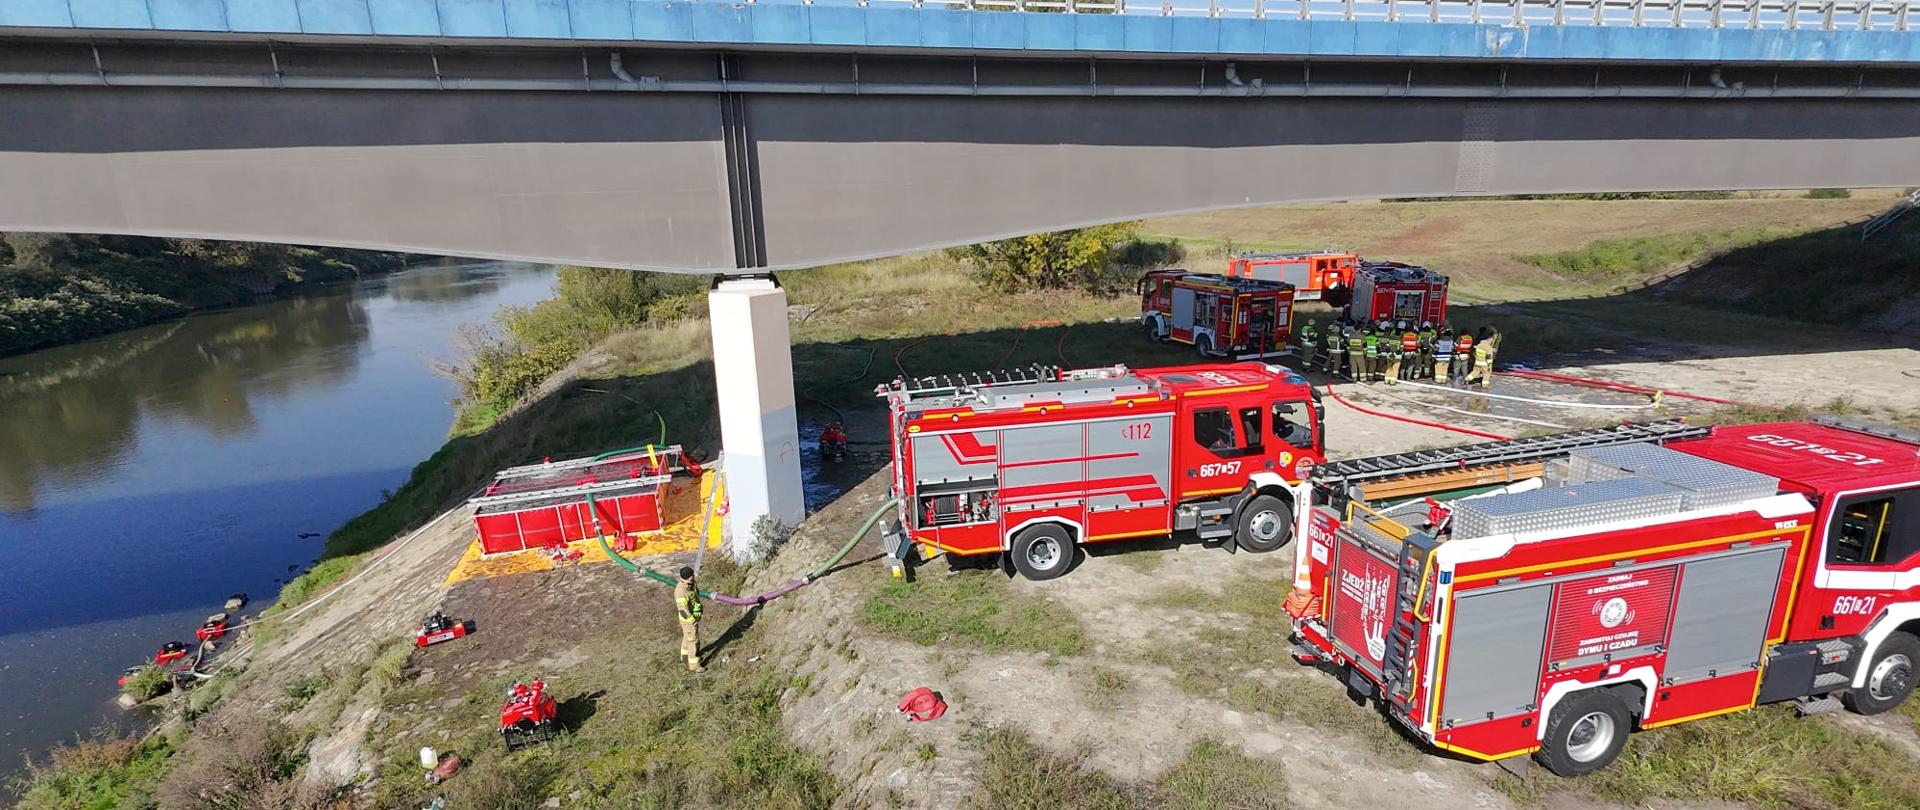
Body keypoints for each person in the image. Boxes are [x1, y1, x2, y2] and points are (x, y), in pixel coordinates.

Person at [674, 566, 706, 672]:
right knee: (693, 641)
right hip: (688, 620)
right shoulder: (681, 591)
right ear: (689, 576)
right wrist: (692, 620)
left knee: (687, 636)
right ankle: (694, 665)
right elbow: (683, 610)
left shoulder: (690, 584)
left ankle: (684, 656)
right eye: (693, 575)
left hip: (690, 617)